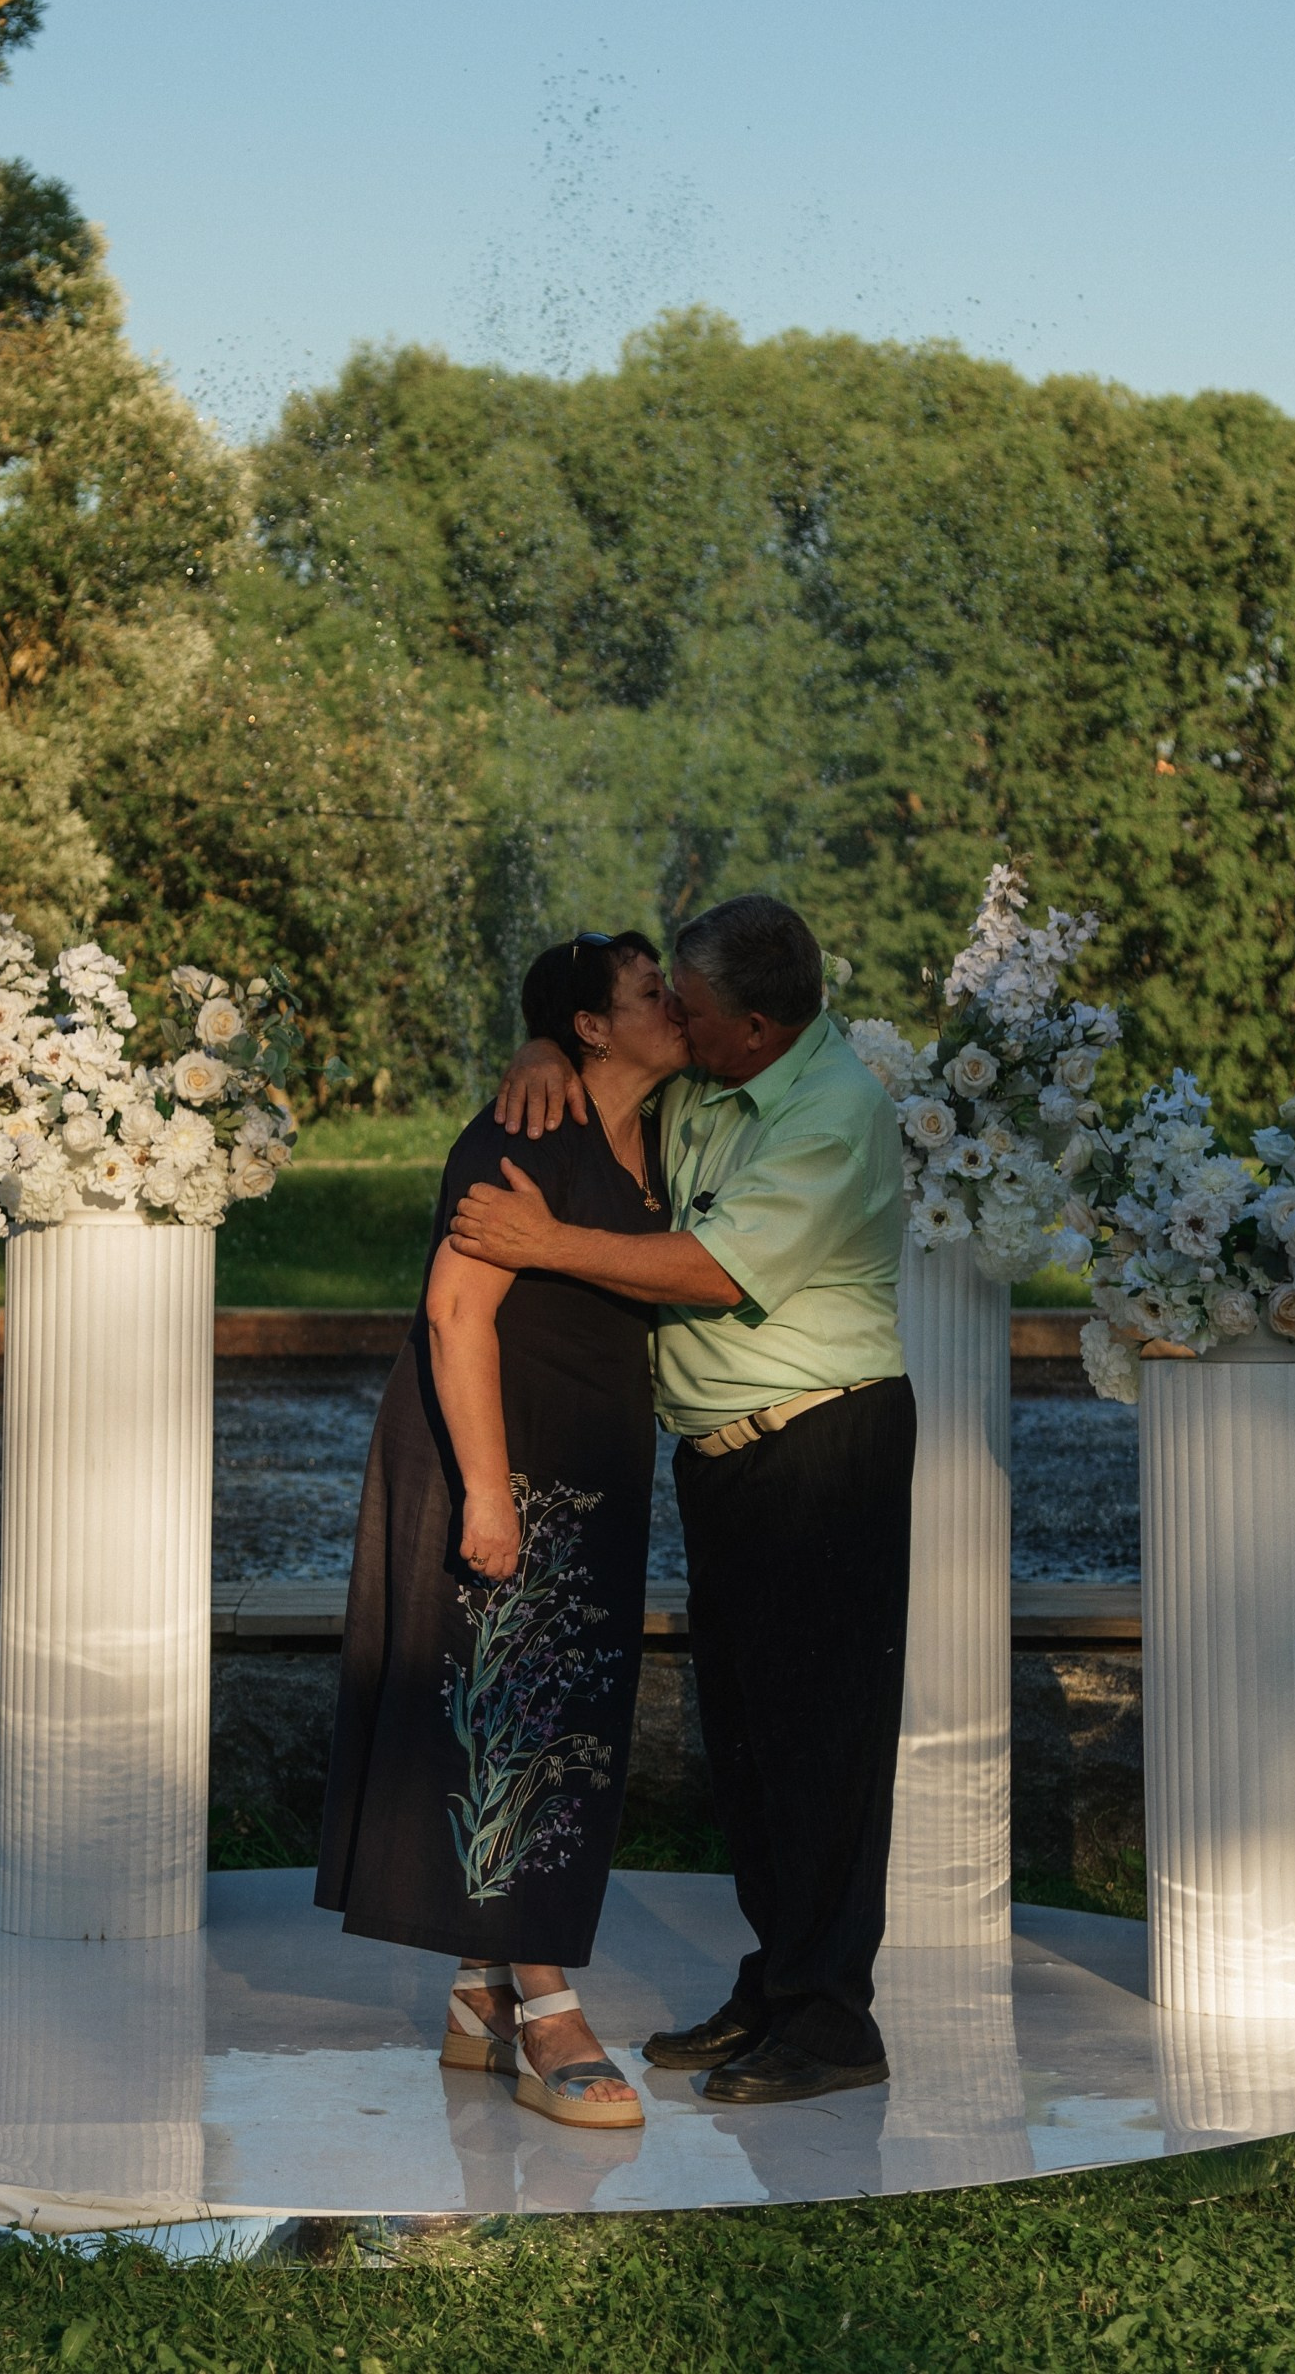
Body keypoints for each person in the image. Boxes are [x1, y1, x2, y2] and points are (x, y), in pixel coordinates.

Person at [452, 893, 913, 2107]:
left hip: (824, 1447)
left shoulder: (829, 1115)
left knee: (820, 1741)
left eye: (692, 1011)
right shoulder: (713, 1075)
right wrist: (547, 1041)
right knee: (751, 1743)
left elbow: (710, 1270)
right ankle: (774, 1985)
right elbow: (607, 1056)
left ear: (754, 1026)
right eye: (665, 1003)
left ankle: (831, 2024)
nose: (677, 1024)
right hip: (726, 1458)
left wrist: (539, 1241)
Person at [315, 930, 689, 2129]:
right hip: (500, 1458)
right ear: (589, 1026)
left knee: (551, 1720)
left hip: (590, 1462)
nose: (673, 1004)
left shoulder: (668, 1124)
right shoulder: (520, 1132)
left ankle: (477, 1996)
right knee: (520, 1722)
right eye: (646, 994)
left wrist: (535, 1033)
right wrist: (485, 1492)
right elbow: (453, 1309)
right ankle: (546, 2008)